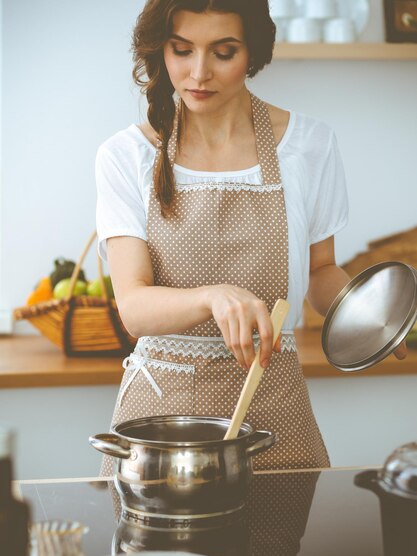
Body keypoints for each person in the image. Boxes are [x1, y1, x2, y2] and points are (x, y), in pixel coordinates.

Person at [96, 0, 407, 476]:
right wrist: (214, 296)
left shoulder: (309, 144)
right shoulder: (126, 154)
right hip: (163, 422)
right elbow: (134, 308)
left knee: (278, 550)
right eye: (182, 50)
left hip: (275, 403)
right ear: (161, 50)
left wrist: (378, 315)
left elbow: (321, 271)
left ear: (253, 53)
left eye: (223, 52)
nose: (199, 73)